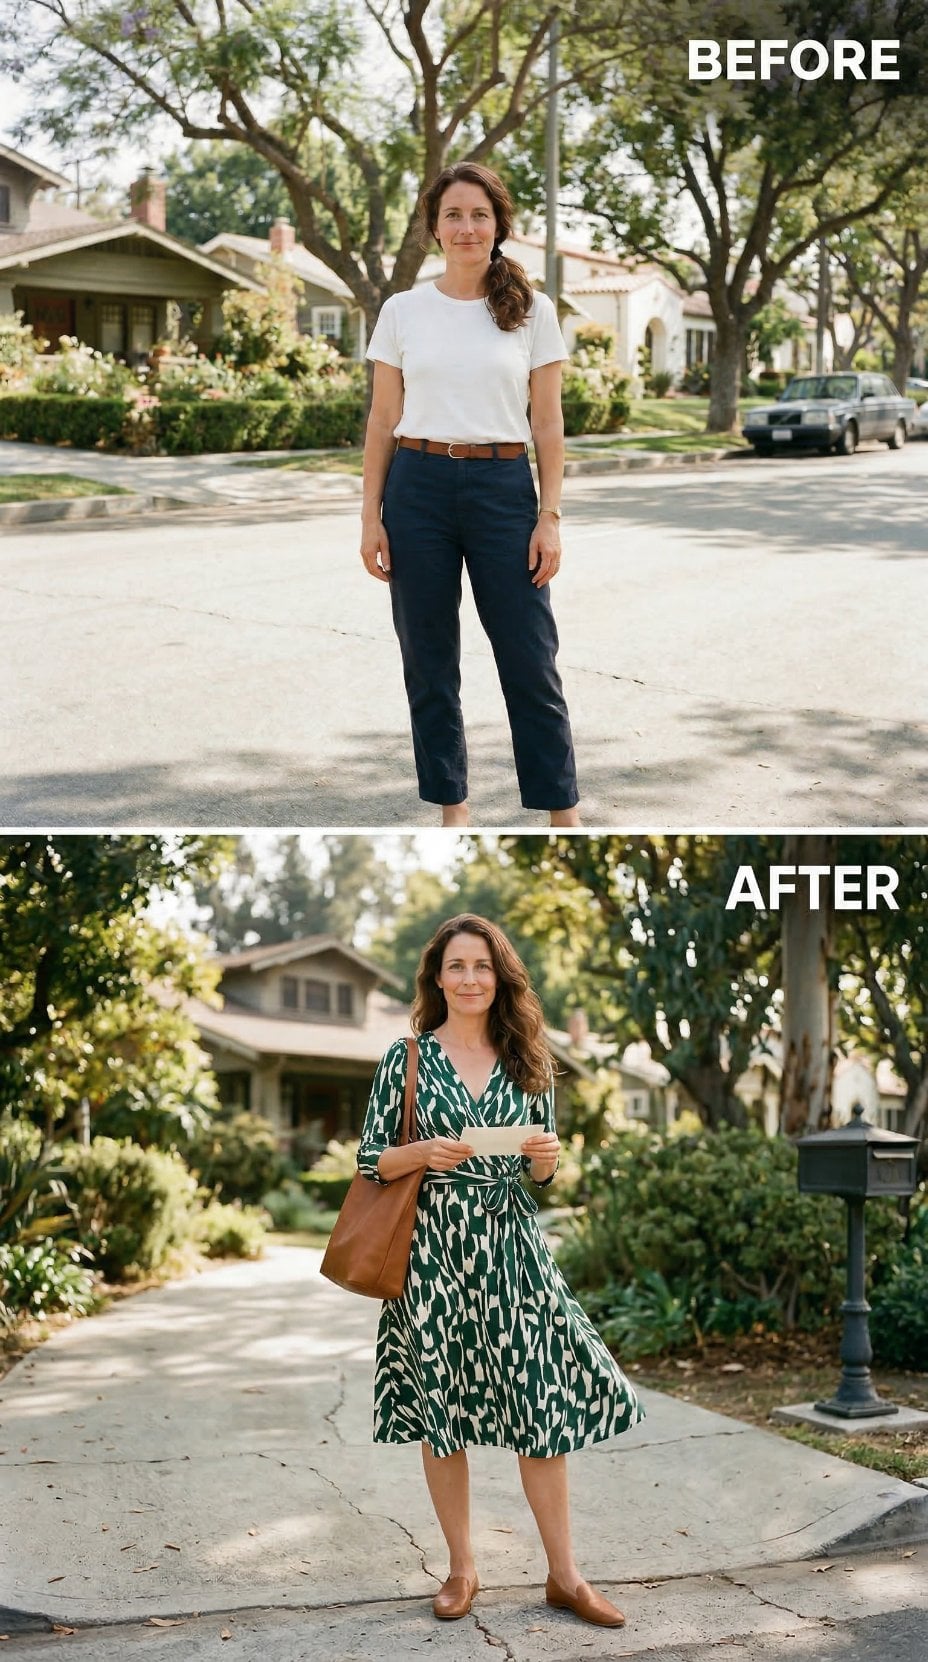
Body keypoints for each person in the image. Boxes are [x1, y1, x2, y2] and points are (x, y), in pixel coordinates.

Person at [356, 914, 644, 1628]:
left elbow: (540, 1171)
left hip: (512, 1250)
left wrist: (545, 1162)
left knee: (538, 1404)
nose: (470, 978)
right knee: (441, 1412)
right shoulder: (408, 1058)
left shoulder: (529, 1057)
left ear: (500, 975)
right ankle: (461, 1569)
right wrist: (424, 1152)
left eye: (482, 966)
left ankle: (565, 1576)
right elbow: (371, 1159)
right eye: (456, 966)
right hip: (432, 1254)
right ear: (437, 978)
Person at [360, 162, 581, 828]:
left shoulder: (532, 311)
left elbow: (547, 422)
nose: (466, 227)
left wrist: (550, 517)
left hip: (503, 487)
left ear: (498, 225)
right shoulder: (402, 310)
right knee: (429, 661)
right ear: (434, 228)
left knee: (529, 658)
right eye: (453, 215)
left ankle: (560, 812)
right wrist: (370, 516)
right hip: (418, 489)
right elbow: (381, 419)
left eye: (479, 214)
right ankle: (453, 807)